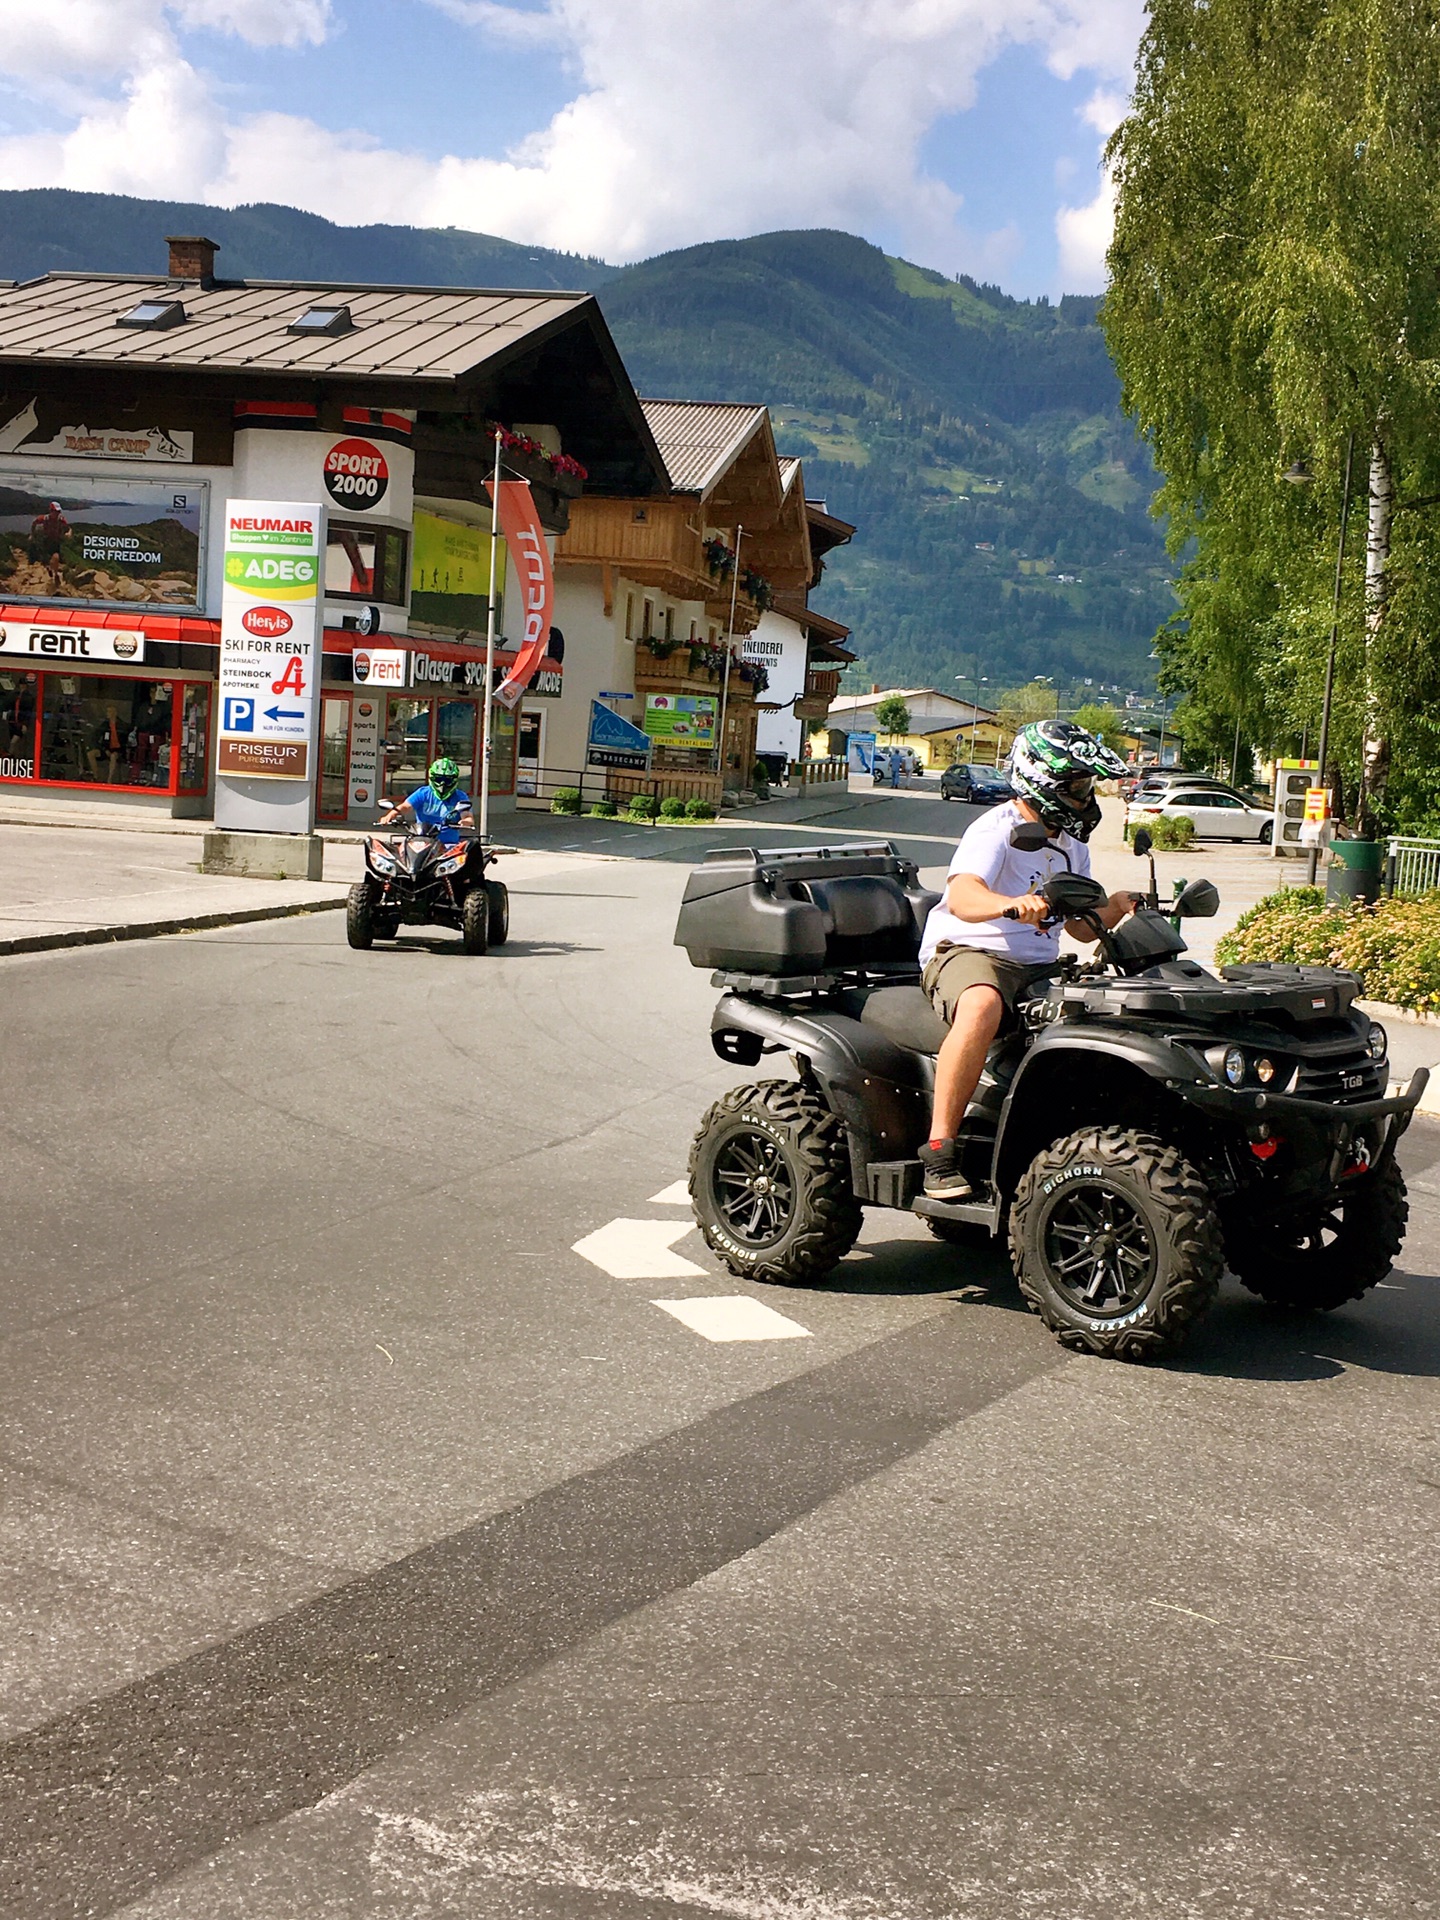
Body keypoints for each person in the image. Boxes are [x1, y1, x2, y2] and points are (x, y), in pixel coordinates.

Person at [917, 720, 1139, 1200]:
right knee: (981, 1007)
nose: (1086, 795)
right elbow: (962, 898)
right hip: (969, 952)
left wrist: (1117, 906)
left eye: (1087, 785)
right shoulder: (997, 828)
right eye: (1076, 786)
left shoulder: (1071, 843)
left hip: (1038, 965)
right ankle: (939, 1150)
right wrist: (1011, 903)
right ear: (1042, 782)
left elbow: (1080, 927)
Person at [378, 756, 475, 843]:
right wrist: (390, 815)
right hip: (421, 840)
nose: (442, 784)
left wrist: (465, 822)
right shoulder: (423, 793)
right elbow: (406, 806)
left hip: (448, 844)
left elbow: (467, 816)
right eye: (438, 779)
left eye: (447, 780)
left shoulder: (460, 797)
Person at [28, 501, 69, 593]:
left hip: (55, 541)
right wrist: (32, 534)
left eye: (58, 512)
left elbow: (68, 528)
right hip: (46, 540)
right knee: (46, 559)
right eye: (55, 511)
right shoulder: (44, 518)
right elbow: (34, 523)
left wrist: (68, 533)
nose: (57, 513)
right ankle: (50, 569)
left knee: (56, 557)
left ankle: (55, 574)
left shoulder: (61, 520)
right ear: (50, 511)